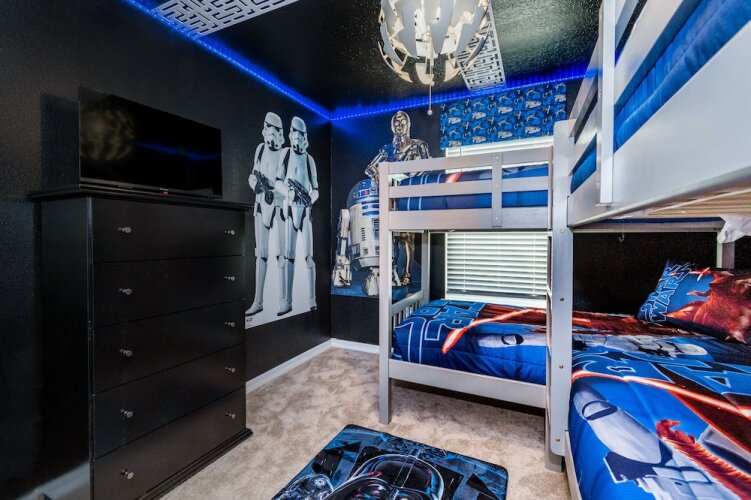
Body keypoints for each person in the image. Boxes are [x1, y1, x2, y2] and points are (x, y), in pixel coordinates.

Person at [276, 116, 319, 315]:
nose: (297, 137)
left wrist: (310, 198)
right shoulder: (285, 154)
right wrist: (289, 192)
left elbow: (316, 189)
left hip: (305, 211)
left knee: (309, 258)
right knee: (288, 257)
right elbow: (278, 181)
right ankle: (286, 302)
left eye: (301, 134)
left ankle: (312, 300)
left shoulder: (309, 159)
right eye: (295, 132)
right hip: (290, 209)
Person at [247, 112, 286, 316]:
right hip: (261, 204)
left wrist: (274, 190)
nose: (272, 132)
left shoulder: (285, 154)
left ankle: (284, 301)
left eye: (276, 129)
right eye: (269, 127)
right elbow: (253, 175)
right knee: (261, 254)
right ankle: (258, 301)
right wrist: (258, 186)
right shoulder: (260, 149)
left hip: (278, 206)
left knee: (281, 254)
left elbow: (288, 186)